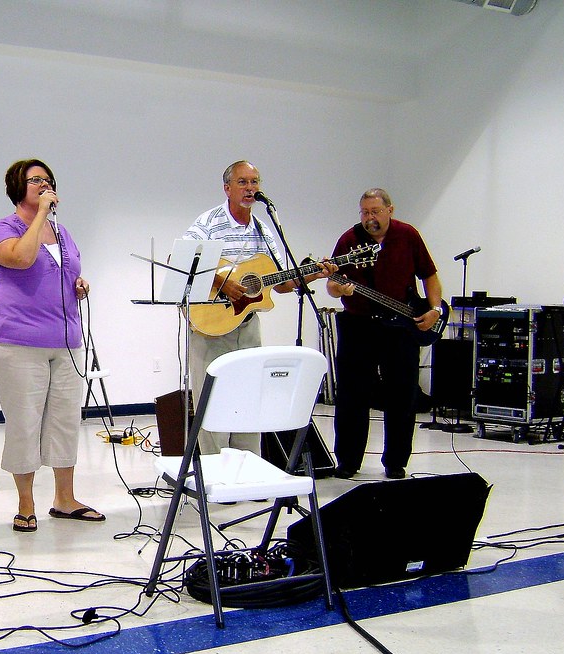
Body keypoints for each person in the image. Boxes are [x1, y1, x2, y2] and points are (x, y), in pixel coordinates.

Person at [0, 158, 100, 533]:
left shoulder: (62, 233)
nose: (44, 185)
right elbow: (22, 257)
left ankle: (64, 499)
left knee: (66, 419)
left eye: (47, 180)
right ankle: (25, 503)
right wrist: (42, 215)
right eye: (35, 180)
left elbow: (67, 273)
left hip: (64, 339)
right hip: (15, 340)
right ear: (18, 187)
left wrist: (78, 286)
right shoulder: (1, 229)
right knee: (25, 422)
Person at [183, 160, 334, 454]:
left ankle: (248, 468)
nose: (250, 188)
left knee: (249, 397)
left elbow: (279, 282)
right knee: (211, 400)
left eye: (255, 182)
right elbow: (185, 257)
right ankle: (216, 475)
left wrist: (312, 274)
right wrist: (222, 282)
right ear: (227, 188)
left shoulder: (263, 230)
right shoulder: (209, 222)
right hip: (210, 324)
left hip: (248, 326)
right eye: (243, 182)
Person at [325, 187, 443, 480]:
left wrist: (435, 309)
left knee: (402, 394)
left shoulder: (408, 235)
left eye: (375, 211)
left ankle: (395, 461)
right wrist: (340, 288)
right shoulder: (349, 240)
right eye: (364, 212)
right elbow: (331, 284)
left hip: (402, 326)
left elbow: (428, 275)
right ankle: (348, 460)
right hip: (359, 325)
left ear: (390, 210)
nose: (369, 218)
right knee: (352, 394)